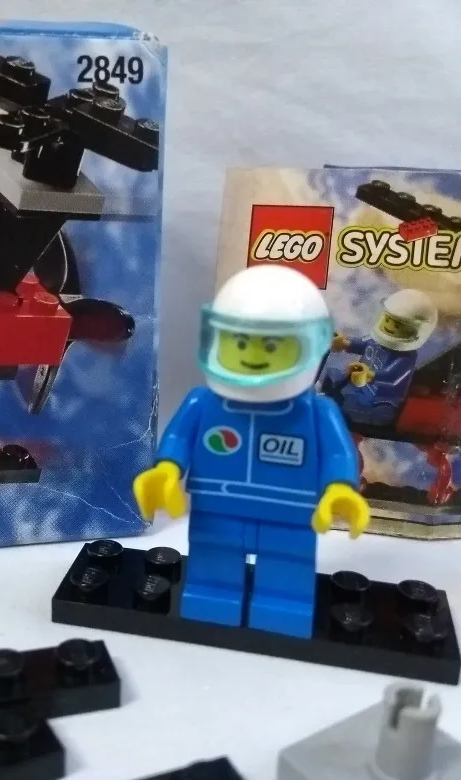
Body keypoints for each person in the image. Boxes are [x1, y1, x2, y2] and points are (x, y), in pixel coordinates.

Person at [132, 265, 369, 639]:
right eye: (240, 342)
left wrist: (340, 489)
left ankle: (284, 605)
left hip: (290, 510)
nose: (253, 356)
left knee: (286, 571)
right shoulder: (202, 402)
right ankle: (212, 597)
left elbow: (338, 455)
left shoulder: (317, 412)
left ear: (311, 344)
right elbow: (178, 439)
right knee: (213, 566)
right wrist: (166, 471)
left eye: (272, 346)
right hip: (217, 508)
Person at [329, 289, 438, 426]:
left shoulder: (405, 358)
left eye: (397, 325)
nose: (389, 327)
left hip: (381, 398)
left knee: (360, 412)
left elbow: (391, 376)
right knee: (336, 381)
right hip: (360, 385)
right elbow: (362, 344)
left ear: (417, 331)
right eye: (387, 320)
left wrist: (368, 375)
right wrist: (345, 343)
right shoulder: (376, 341)